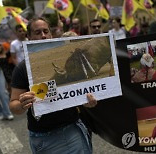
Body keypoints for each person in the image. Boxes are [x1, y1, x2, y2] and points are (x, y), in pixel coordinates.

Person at [9, 16, 97, 154]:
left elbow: (77, 90)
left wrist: (85, 101)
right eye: (38, 33)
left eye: (46, 31)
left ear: (51, 34)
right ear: (29, 37)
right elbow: (14, 105)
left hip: (72, 130)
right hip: (44, 140)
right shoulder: (22, 68)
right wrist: (22, 104)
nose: (43, 36)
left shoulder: (66, 59)